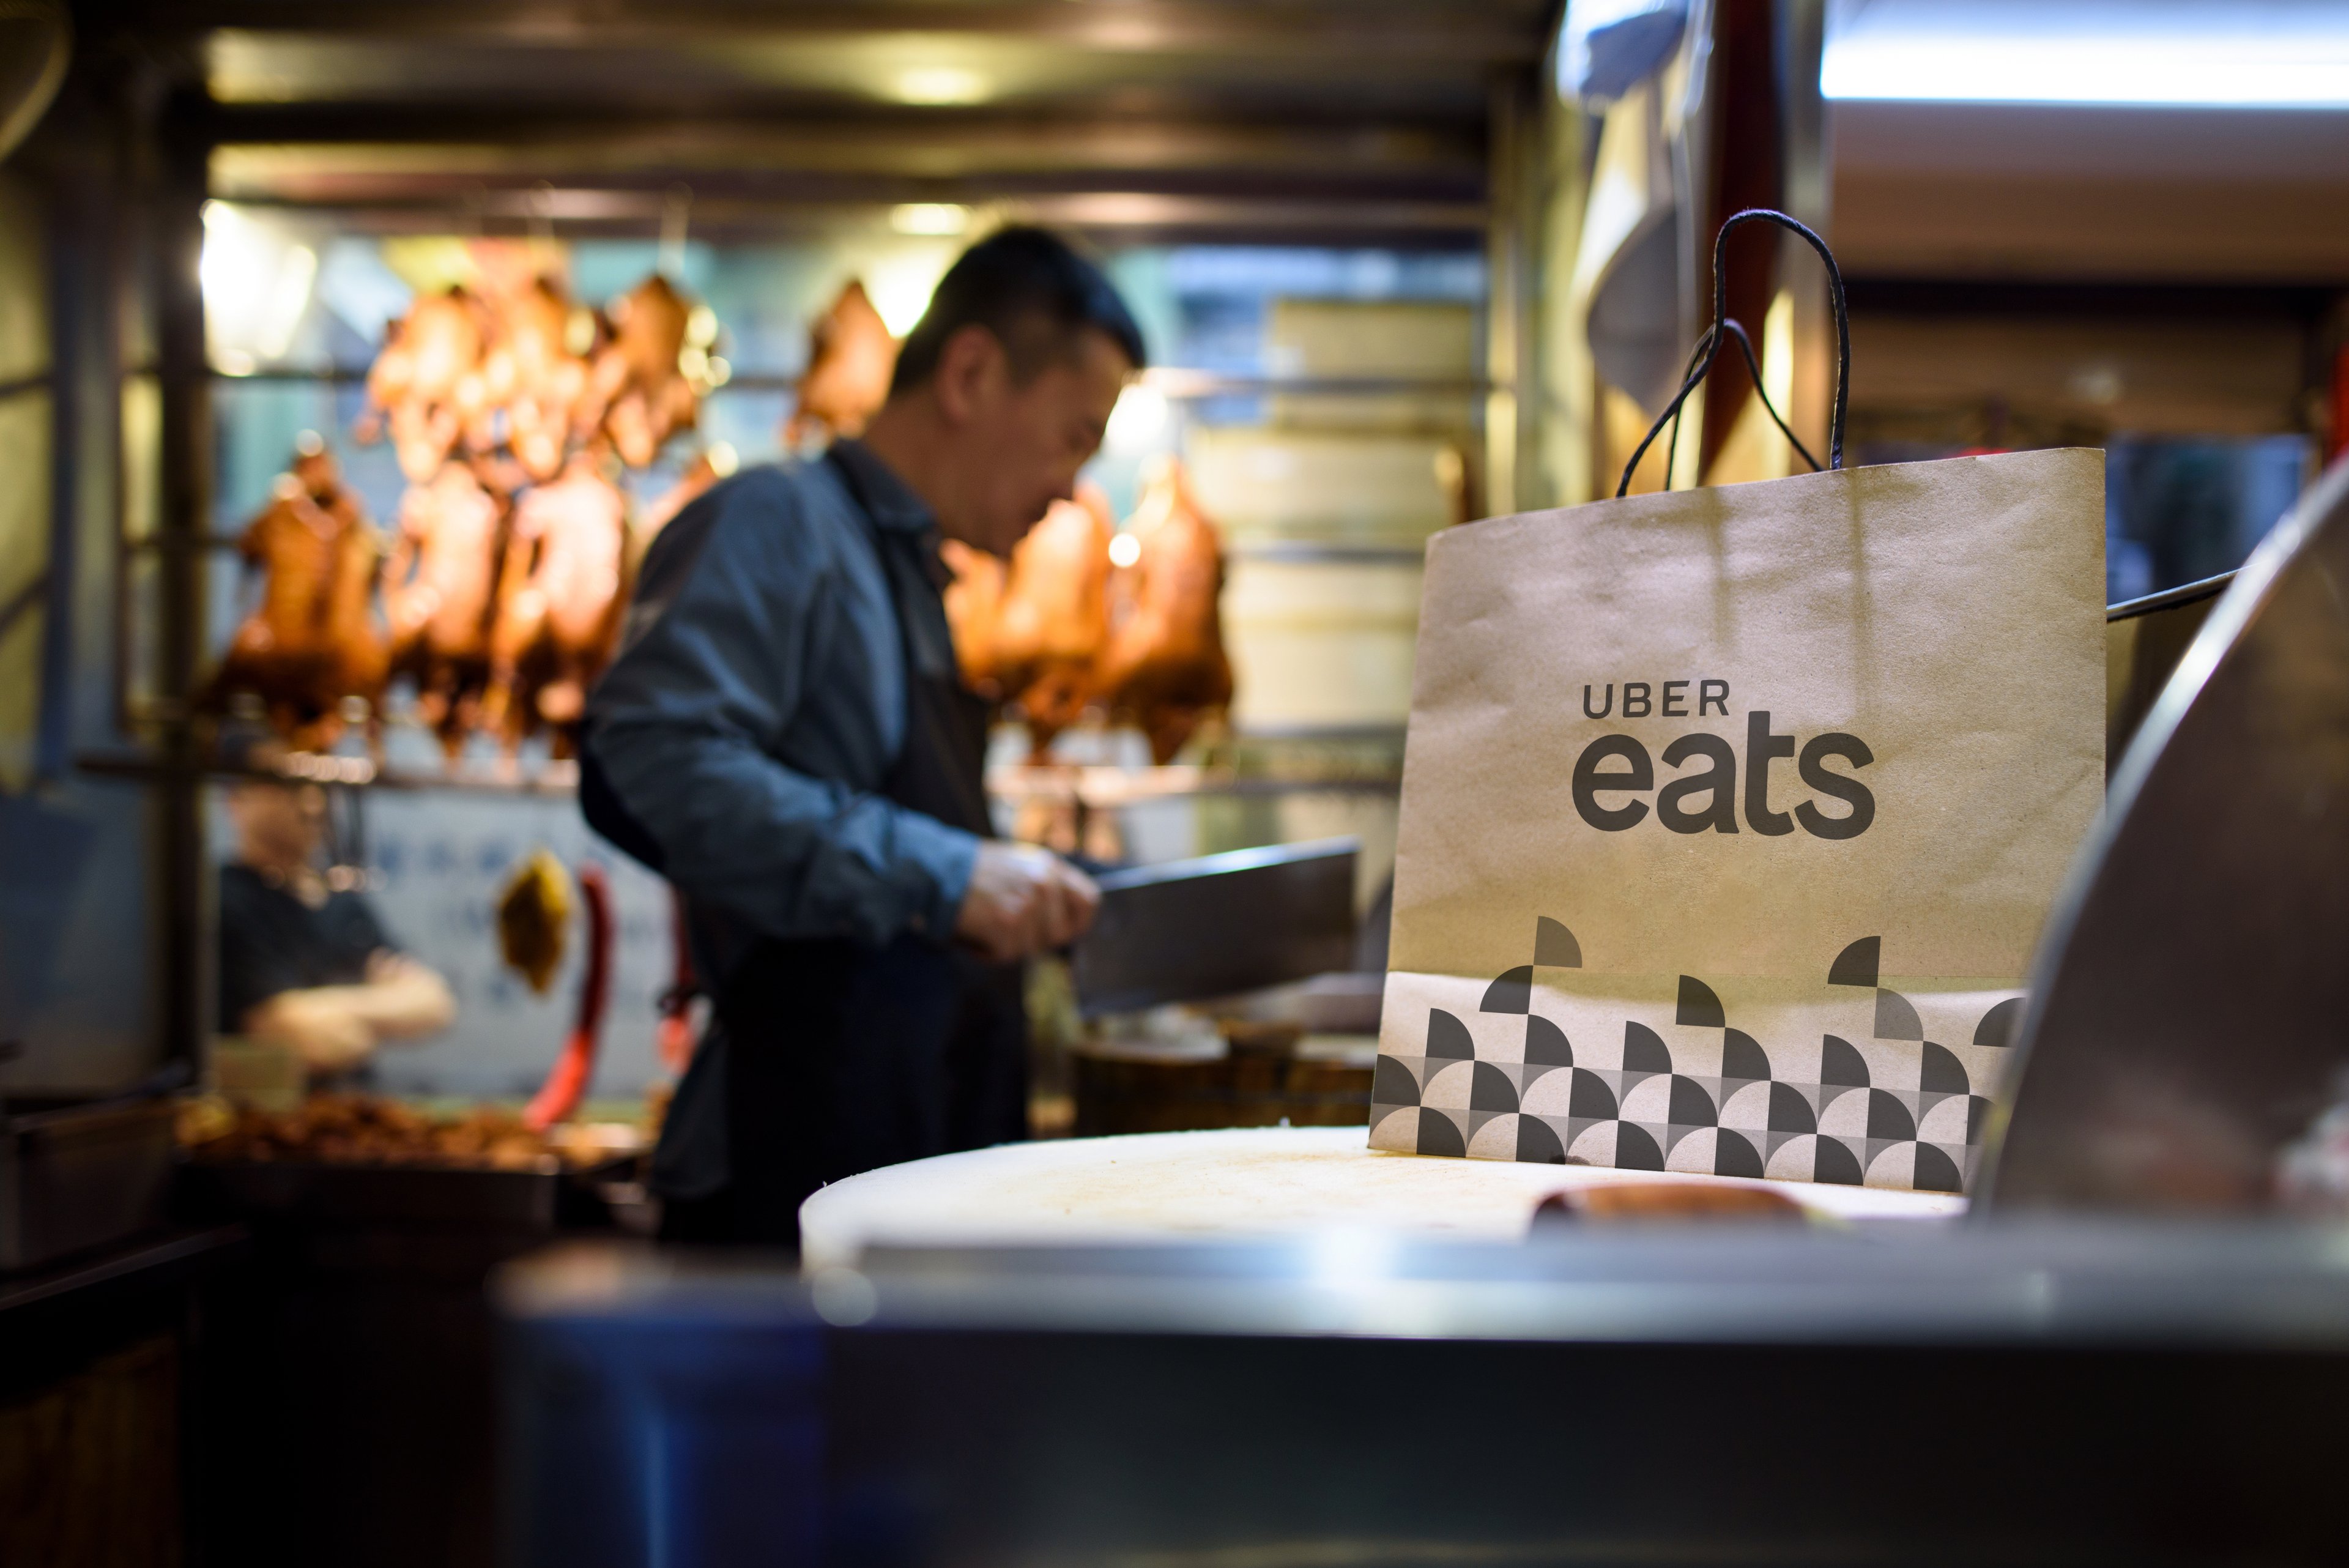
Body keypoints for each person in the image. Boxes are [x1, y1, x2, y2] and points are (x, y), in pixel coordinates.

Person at [581, 226, 1138, 1246]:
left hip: (908, 1144)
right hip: (789, 1168)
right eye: (1074, 436)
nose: (1072, 486)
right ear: (970, 375)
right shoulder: (779, 522)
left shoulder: (911, 577)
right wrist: (945, 874)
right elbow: (645, 759)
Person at [217, 773, 456, 1077]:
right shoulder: (223, 897)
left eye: (319, 787)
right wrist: (385, 1014)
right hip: (264, 1105)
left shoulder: (342, 903)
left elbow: (435, 1004)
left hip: (352, 1102)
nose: (312, 803)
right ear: (236, 801)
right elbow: (294, 1032)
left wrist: (337, 1017)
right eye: (288, 786)